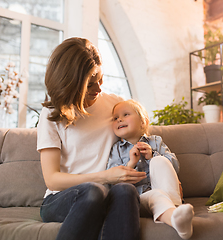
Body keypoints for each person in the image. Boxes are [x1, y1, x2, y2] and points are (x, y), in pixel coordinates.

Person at [37, 37, 146, 240]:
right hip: (62, 198)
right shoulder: (52, 113)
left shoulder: (116, 105)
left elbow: (139, 136)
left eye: (100, 79)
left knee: (126, 192)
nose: (98, 89)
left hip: (108, 193)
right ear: (70, 84)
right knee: (93, 192)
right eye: (90, 85)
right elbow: (52, 179)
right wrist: (104, 177)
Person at [107, 99, 194, 239]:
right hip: (140, 198)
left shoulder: (156, 141)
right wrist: (131, 163)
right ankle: (176, 216)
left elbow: (174, 167)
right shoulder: (116, 149)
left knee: (160, 161)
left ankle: (177, 217)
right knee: (156, 195)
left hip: (167, 194)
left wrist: (153, 155)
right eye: (115, 118)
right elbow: (112, 181)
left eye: (125, 115)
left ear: (143, 121)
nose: (119, 120)